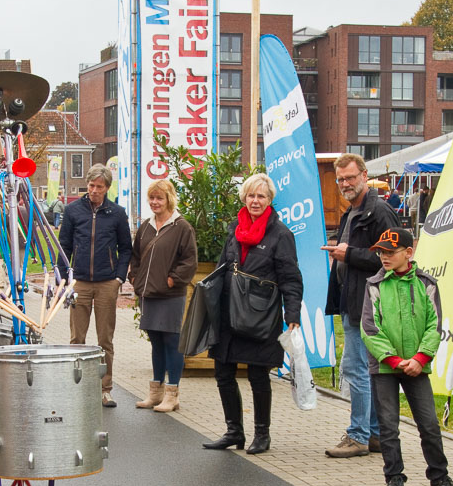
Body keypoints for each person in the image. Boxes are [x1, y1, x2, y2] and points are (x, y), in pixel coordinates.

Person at [361, 229, 453, 486]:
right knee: (388, 426)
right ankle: (394, 479)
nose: (384, 257)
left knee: (429, 424)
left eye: (390, 252)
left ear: (408, 253)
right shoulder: (373, 284)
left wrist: (421, 358)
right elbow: (369, 328)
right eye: (381, 252)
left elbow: (435, 324)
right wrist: (394, 360)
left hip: (417, 367)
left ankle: (439, 479)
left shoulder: (426, 284)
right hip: (385, 367)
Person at [202, 172, 303, 455]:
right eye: (251, 195)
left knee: (259, 377)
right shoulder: (235, 228)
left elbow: (291, 278)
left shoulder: (281, 234)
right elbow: (223, 268)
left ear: (269, 199)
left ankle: (262, 435)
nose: (255, 201)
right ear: (244, 198)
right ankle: (234, 431)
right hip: (229, 313)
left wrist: (292, 313)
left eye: (261, 196)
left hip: (261, 316)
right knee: (223, 372)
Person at [322, 153, 399, 458]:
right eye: (340, 179)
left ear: (365, 176)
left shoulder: (379, 212)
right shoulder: (352, 212)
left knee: (356, 370)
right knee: (365, 370)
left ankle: (358, 436)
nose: (345, 184)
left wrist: (348, 254)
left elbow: (393, 258)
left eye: (350, 178)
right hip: (351, 300)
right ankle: (375, 434)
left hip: (368, 305)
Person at [59, 163, 132, 407]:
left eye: (99, 187)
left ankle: (105, 388)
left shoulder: (117, 214)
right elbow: (64, 246)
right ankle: (75, 386)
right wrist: (62, 277)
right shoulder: (72, 211)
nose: (94, 190)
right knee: (77, 338)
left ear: (107, 188)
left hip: (106, 282)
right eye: (91, 186)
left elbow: (126, 248)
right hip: (79, 281)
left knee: (105, 339)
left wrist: (119, 278)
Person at [128, 179, 197, 413]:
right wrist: (134, 277)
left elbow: (189, 261)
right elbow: (136, 255)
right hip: (148, 293)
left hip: (170, 294)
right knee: (156, 343)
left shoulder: (181, 227)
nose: (155, 202)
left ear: (169, 199)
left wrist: (172, 279)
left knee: (172, 343)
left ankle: (172, 393)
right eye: (152, 198)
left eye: (160, 198)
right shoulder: (146, 226)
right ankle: (154, 393)